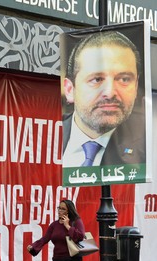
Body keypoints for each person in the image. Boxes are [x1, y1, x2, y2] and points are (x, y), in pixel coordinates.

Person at [62, 30, 145, 167]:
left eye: (124, 79)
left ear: (136, 87)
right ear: (70, 90)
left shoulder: (147, 146)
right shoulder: (46, 140)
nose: (110, 92)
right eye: (97, 79)